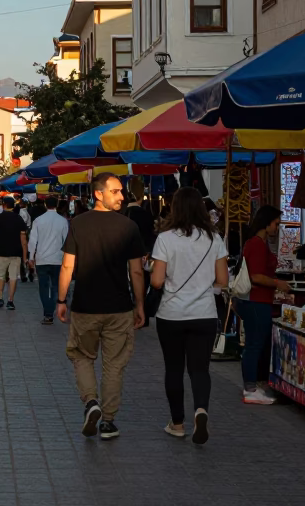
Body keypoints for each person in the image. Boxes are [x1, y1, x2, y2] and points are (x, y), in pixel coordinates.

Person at [57, 173, 146, 440]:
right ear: (99, 194)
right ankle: (108, 421)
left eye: (121, 192)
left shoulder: (78, 224)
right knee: (114, 364)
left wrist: (61, 301)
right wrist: (140, 304)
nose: (121, 196)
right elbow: (137, 271)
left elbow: (67, 266)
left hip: (85, 306)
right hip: (119, 307)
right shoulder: (128, 227)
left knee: (82, 356)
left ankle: (90, 402)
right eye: (116, 191)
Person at [150, 188, 229, 444]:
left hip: (171, 315)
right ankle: (201, 410)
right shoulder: (214, 238)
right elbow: (223, 280)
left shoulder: (165, 239)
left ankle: (177, 423)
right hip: (204, 313)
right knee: (200, 369)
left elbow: (158, 281)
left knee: (174, 369)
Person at [236, 205, 290, 404]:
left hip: (256, 301)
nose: (277, 227)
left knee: (254, 344)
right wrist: (278, 284)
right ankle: (250, 388)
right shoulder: (257, 244)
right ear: (267, 223)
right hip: (256, 301)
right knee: (254, 344)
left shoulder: (256, 243)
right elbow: (256, 276)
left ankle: (252, 384)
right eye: (276, 223)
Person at [27, 195, 69, 325]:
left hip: (42, 258)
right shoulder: (62, 221)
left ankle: (48, 313)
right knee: (56, 286)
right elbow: (67, 241)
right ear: (57, 204)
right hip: (58, 258)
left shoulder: (39, 220)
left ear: (45, 204)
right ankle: (55, 308)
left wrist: (30, 257)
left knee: (43, 287)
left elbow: (33, 240)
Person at [0, 197, 28, 309]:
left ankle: (0, 298)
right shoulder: (19, 219)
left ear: (4, 205)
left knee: (0, 276)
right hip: (16, 253)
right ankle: (10, 300)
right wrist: (25, 256)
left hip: (1, 251)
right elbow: (24, 240)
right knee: (13, 277)